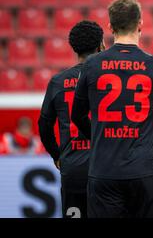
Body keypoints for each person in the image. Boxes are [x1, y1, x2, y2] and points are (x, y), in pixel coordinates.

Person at [71, 0, 153, 218]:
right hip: (145, 171)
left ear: (109, 26)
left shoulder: (91, 64)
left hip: (104, 170)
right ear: (140, 24)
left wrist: (98, 137)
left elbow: (77, 114)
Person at [38, 20, 104, 218]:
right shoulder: (108, 78)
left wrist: (57, 155)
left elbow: (44, 125)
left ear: (74, 48)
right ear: (100, 45)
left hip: (73, 169)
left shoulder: (58, 82)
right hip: (105, 168)